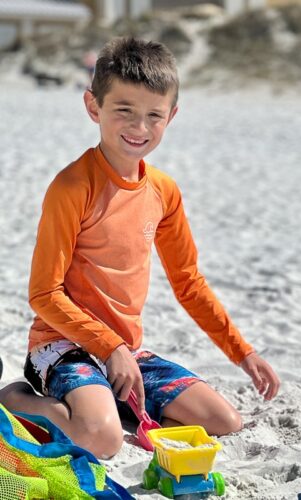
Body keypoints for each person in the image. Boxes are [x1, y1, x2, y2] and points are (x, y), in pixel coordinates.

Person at [0, 37, 280, 459]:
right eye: (124, 111)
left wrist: (244, 353)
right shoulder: (73, 187)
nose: (139, 128)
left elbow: (187, 282)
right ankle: (18, 399)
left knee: (224, 421)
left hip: (125, 351)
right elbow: (44, 294)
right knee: (102, 441)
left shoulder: (163, 191)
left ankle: (105, 405)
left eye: (154, 115)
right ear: (94, 107)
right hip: (62, 346)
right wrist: (108, 347)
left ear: (172, 116)